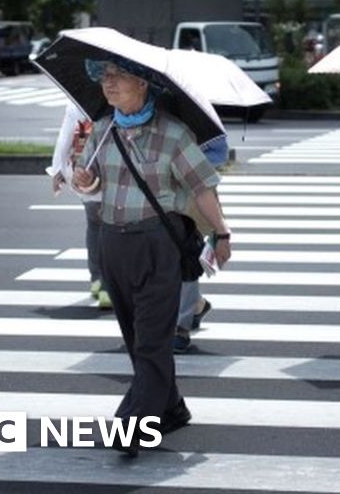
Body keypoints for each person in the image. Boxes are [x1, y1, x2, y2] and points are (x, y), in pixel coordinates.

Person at [72, 58, 232, 455]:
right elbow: (88, 184)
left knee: (152, 340)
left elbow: (202, 187)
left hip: (157, 244)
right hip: (113, 242)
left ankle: (133, 425)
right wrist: (84, 181)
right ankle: (171, 407)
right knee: (135, 337)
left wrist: (222, 232)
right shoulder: (103, 129)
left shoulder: (173, 134)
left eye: (118, 76)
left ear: (143, 84)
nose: (108, 84)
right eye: (105, 77)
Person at [47, 103, 110, 309]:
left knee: (94, 226)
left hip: (83, 172)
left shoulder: (78, 101)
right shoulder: (120, 98)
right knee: (112, 229)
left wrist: (57, 170)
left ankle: (97, 279)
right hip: (112, 173)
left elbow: (65, 136)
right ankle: (108, 285)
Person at [173, 135, 230, 353]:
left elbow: (219, 153)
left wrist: (188, 161)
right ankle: (196, 305)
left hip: (190, 196)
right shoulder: (133, 122)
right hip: (151, 200)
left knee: (185, 258)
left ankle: (180, 326)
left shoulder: (197, 125)